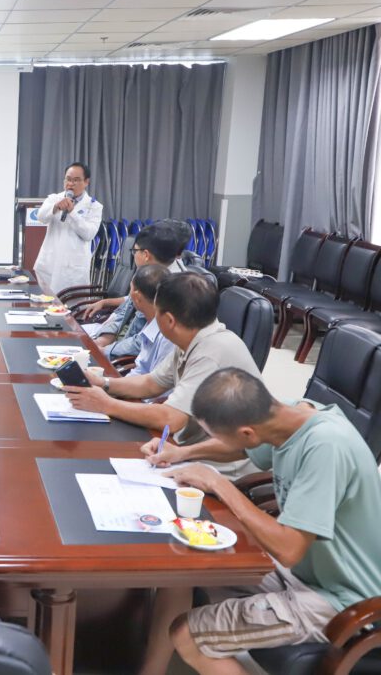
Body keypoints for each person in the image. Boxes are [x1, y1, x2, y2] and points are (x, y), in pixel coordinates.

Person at [146, 368, 381, 675]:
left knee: (188, 635)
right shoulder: (288, 415)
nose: (217, 441)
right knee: (184, 569)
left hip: (343, 598)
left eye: (217, 434)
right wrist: (183, 452)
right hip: (309, 571)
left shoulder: (326, 448)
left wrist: (220, 484)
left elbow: (289, 549)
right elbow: (238, 446)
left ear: (248, 432)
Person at [64, 273, 259, 475]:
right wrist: (104, 383)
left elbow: (171, 419)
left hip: (219, 470)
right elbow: (151, 383)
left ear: (169, 320)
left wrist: (106, 404)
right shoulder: (193, 336)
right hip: (184, 452)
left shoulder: (210, 353)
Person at [82, 221, 188, 359]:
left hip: (130, 357)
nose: (133, 255)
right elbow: (125, 310)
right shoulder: (146, 270)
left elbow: (144, 341)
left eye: (135, 251)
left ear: (146, 255)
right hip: (118, 343)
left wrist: (106, 350)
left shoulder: (172, 288)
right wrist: (104, 338)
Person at [32, 162, 103, 294]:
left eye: (76, 180)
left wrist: (72, 213)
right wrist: (55, 207)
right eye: (68, 179)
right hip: (49, 264)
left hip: (72, 270)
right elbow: (41, 217)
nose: (70, 184)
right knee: (44, 303)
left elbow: (88, 234)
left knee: (70, 305)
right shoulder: (54, 198)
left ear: (86, 182)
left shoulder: (94, 206)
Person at [125, 264, 175, 377]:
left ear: (137, 297)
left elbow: (157, 385)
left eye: (131, 288)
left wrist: (107, 384)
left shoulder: (168, 337)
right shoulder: (151, 322)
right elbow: (141, 369)